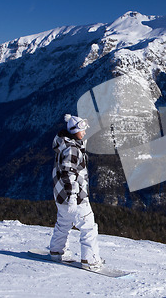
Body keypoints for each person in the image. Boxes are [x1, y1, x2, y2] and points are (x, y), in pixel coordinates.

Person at [49, 114, 104, 270]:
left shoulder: (64, 145)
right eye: (82, 129)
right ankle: (90, 260)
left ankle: (56, 251)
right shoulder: (73, 149)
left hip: (61, 195)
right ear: (75, 131)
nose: (85, 132)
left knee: (63, 223)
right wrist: (73, 197)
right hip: (75, 196)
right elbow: (68, 173)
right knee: (88, 227)